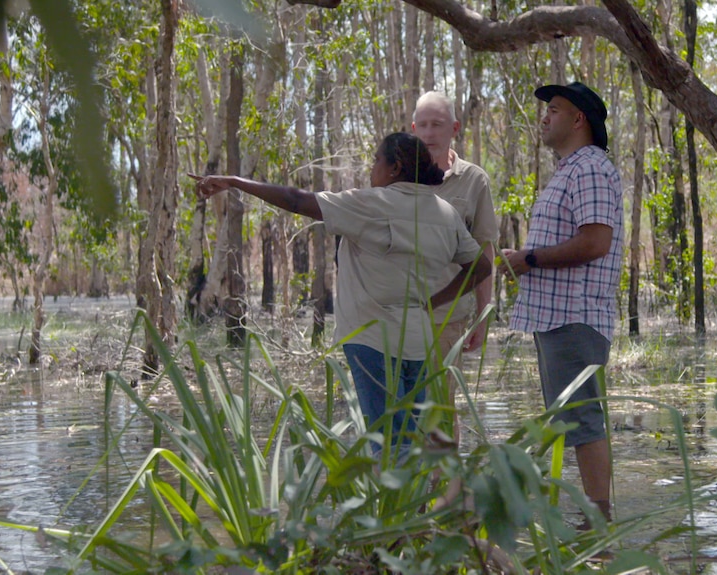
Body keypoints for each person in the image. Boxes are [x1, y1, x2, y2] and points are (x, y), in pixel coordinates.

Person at [190, 132, 491, 460]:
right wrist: (433, 301)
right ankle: (416, 506)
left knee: (388, 445)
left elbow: (295, 200)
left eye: (376, 160)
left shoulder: (372, 203)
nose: (371, 169)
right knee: (413, 444)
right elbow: (481, 267)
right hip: (420, 341)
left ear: (395, 168)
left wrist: (235, 181)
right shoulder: (445, 213)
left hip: (372, 341)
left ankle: (391, 508)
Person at [498, 81, 623, 525]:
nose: (544, 117)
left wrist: (528, 259)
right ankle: (594, 521)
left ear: (578, 119)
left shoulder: (589, 168)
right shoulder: (570, 169)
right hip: (557, 318)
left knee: (583, 421)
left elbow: (595, 241)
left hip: (575, 315)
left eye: (554, 109)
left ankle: (598, 525)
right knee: (574, 422)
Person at [411, 91, 499, 438]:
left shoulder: (474, 180)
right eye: (424, 126)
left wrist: (483, 311)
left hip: (447, 315)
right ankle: (405, 488)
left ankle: (444, 489)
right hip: (396, 313)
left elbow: (485, 249)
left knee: (441, 409)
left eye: (438, 125)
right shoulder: (399, 173)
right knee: (400, 408)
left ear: (455, 129)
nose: (430, 133)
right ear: (414, 129)